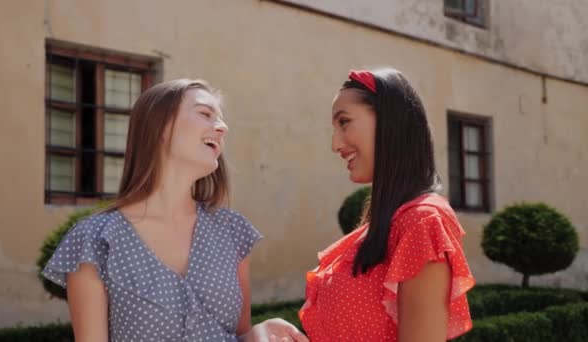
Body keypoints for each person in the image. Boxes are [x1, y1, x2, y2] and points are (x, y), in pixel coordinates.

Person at [42, 79, 306, 342]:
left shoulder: (233, 231)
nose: (223, 127)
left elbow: (236, 336)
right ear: (160, 126)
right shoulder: (95, 240)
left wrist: (257, 335)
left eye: (221, 119)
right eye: (205, 113)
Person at [299, 69, 476, 341]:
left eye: (344, 122)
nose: (335, 144)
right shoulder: (386, 223)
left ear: (390, 121)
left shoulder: (423, 221)